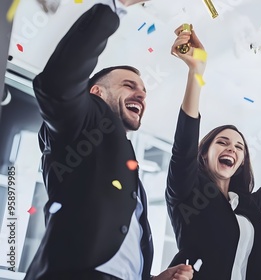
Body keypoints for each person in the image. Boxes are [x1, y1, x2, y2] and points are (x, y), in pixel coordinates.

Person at [25, 2, 193, 279]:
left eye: (143, 91)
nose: (141, 95)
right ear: (96, 93)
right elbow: (55, 85)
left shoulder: (123, 164)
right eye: (129, 86)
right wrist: (116, 6)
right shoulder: (80, 124)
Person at [165, 24, 261, 280]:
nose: (232, 148)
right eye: (222, 142)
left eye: (239, 147)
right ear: (204, 153)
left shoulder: (246, 204)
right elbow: (183, 145)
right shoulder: (185, 191)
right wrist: (196, 72)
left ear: (241, 162)